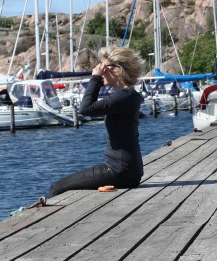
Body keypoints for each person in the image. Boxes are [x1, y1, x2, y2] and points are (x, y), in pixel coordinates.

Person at [49, 45, 146, 197]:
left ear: (117, 69)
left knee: (56, 188)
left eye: (102, 66)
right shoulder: (128, 96)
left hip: (118, 170)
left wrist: (95, 79)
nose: (98, 69)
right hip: (126, 170)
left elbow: (85, 109)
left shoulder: (124, 97)